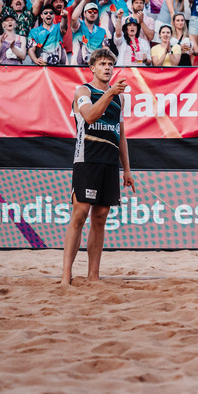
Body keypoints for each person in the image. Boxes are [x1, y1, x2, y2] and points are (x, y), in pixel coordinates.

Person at [62, 48, 135, 285]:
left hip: (109, 162)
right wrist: (110, 93)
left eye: (110, 64)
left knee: (101, 217)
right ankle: (66, 275)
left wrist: (127, 169)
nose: (107, 68)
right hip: (87, 159)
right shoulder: (83, 91)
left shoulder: (120, 98)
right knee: (80, 214)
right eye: (102, 64)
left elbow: (120, 135)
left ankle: (93, 275)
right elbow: (90, 116)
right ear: (92, 68)